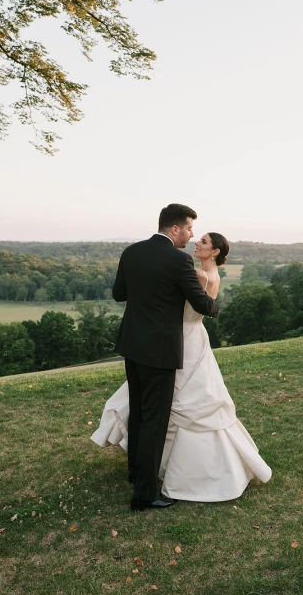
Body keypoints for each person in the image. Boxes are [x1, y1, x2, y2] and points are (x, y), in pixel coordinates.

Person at [91, 227, 272, 505]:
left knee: (157, 407)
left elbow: (202, 305)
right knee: (162, 407)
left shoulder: (199, 273)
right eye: (194, 235)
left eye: (203, 241)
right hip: (179, 339)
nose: (195, 241)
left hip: (181, 341)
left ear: (215, 252)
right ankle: (148, 473)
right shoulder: (200, 271)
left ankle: (155, 472)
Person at [93, 204, 219, 512]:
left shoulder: (131, 252)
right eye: (189, 229)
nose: (191, 235)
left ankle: (136, 473)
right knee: (155, 420)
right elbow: (203, 305)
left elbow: (119, 293)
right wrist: (216, 303)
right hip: (160, 351)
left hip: (133, 346)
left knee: (138, 412)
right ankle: (145, 495)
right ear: (175, 229)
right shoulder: (178, 261)